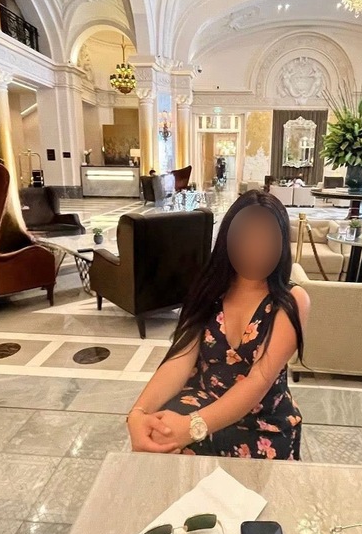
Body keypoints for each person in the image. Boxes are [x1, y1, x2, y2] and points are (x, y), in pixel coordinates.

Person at [126, 190, 310, 460]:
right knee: (158, 438)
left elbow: (258, 380)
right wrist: (138, 412)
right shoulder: (211, 289)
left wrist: (192, 427)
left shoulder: (291, 301)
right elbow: (181, 358)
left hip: (263, 421)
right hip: (203, 400)